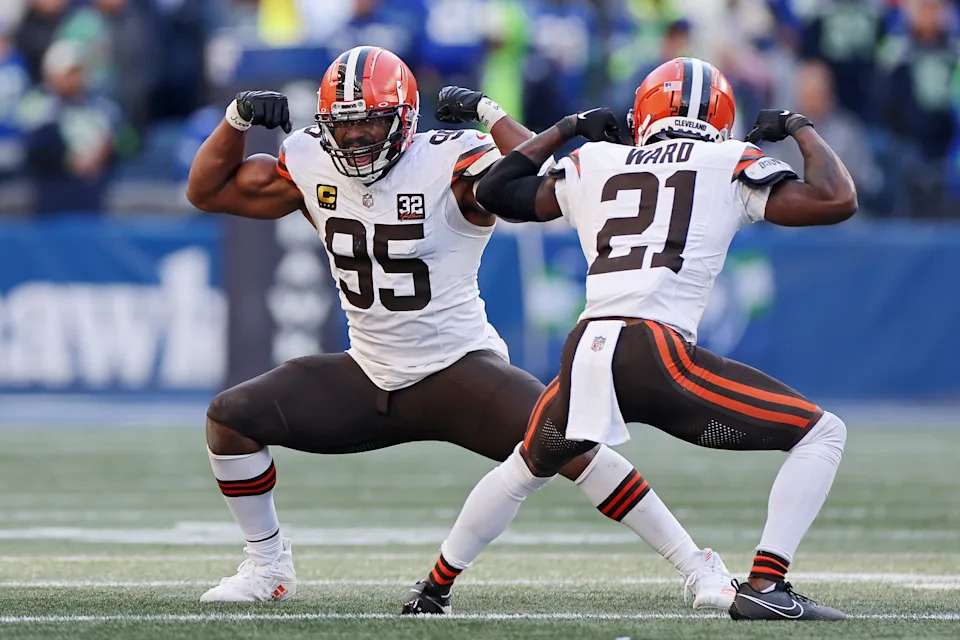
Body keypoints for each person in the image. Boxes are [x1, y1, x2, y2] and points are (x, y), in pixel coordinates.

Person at [186, 46, 734, 608]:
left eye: (371, 121)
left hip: (458, 370)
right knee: (231, 420)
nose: (356, 139)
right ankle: (268, 568)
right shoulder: (309, 162)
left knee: (574, 444)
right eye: (344, 126)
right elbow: (206, 191)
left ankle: (700, 567)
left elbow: (537, 180)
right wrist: (235, 121)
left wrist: (491, 115)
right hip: (369, 370)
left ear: (405, 118)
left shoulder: (449, 161)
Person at [406, 56, 857, 621]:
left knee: (526, 467)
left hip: (587, 350)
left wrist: (565, 128)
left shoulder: (599, 160)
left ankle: (434, 588)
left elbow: (499, 191)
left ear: (642, 111)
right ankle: (767, 584)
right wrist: (798, 125)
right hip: (657, 354)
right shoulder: (730, 159)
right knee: (822, 434)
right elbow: (837, 198)